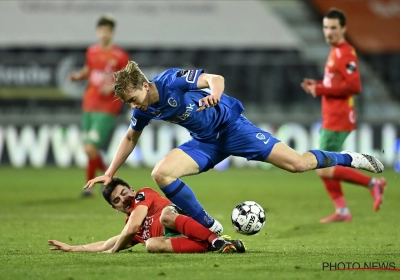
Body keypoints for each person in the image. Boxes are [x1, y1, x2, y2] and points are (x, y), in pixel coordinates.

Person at [84, 60, 384, 235]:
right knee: (161, 173)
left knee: (298, 164)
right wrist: (110, 172)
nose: (132, 105)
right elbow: (130, 138)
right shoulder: (143, 110)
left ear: (146, 85)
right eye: (128, 103)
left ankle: (351, 158)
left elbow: (216, 78)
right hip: (205, 143)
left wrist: (214, 94)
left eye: (133, 98)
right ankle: (209, 227)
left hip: (233, 128)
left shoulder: (171, 80)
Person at [301, 8, 386, 223]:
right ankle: (342, 211)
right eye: (326, 27)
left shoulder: (345, 52)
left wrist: (321, 90)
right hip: (332, 117)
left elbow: (354, 85)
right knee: (323, 167)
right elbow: (335, 84)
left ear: (343, 29)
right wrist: (319, 85)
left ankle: (371, 185)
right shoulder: (335, 51)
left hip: (338, 119)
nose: (328, 32)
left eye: (333, 28)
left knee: (323, 168)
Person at [48, 178, 245, 254]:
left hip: (184, 222)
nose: (123, 199)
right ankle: (216, 246)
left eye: (124, 193)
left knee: (165, 217)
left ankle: (216, 240)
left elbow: (130, 229)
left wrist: (113, 252)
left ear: (132, 190)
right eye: (116, 200)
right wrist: (73, 248)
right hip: (186, 240)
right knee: (151, 244)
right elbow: (107, 243)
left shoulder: (143, 195)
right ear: (114, 208)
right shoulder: (130, 228)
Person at [68, 15, 129, 197]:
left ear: (112, 32)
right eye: (101, 30)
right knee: (90, 149)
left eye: (107, 30)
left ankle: (98, 184)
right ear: (97, 32)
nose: (103, 34)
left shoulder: (120, 56)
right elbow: (89, 70)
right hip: (89, 104)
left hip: (107, 108)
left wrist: (111, 85)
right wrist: (78, 76)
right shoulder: (92, 52)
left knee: (89, 148)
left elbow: (127, 79)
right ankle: (109, 179)